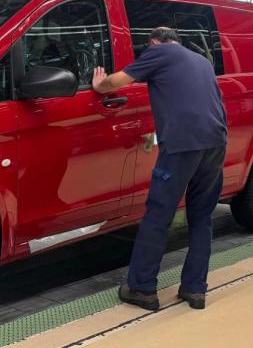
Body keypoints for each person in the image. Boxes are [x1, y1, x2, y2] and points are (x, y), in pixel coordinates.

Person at [92, 26, 228, 311]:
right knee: (202, 218)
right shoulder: (201, 60)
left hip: (182, 145)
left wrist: (99, 84)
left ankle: (141, 289)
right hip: (216, 143)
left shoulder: (159, 52)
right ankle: (195, 290)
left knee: (158, 215)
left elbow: (116, 83)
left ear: (154, 42)